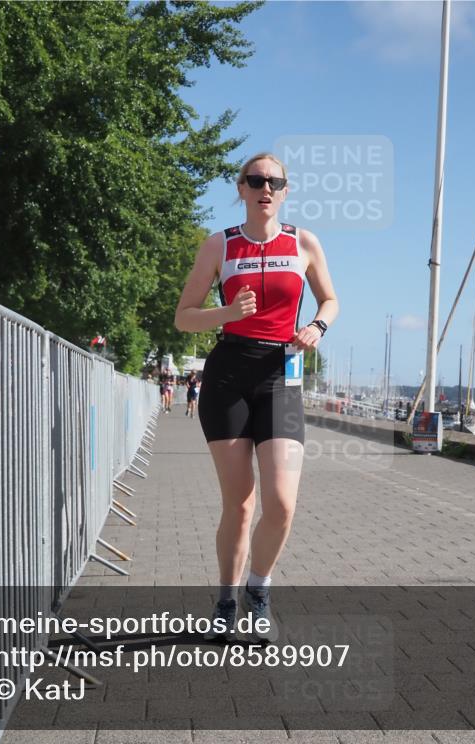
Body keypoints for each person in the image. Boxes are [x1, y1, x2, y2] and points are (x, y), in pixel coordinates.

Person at [174, 152, 338, 643]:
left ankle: (258, 590)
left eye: (275, 181)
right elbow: (184, 316)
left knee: (282, 502)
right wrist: (225, 312)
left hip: (280, 373)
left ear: (285, 191)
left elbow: (330, 298)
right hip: (227, 374)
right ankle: (226, 600)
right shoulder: (218, 246)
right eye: (255, 180)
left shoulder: (303, 242)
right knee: (240, 503)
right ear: (241, 188)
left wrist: (316, 326)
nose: (265, 187)